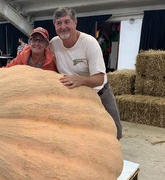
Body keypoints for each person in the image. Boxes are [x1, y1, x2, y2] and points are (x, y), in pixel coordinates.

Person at [50, 7, 122, 139]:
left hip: (99, 92)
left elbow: (100, 78)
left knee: (114, 131)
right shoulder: (54, 43)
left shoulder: (89, 43)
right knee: (81, 135)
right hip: (74, 96)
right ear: (54, 25)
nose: (63, 27)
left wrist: (80, 80)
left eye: (67, 22)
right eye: (58, 23)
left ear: (75, 23)